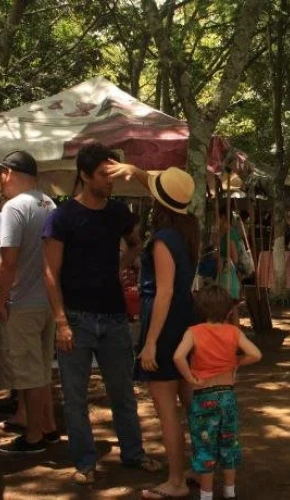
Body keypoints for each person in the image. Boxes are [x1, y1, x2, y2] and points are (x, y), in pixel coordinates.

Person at [43, 143, 160, 484]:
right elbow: (49, 272)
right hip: (75, 319)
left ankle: (133, 454)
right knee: (75, 398)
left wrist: (120, 267)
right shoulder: (62, 217)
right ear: (84, 175)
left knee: (123, 393)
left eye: (112, 174)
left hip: (114, 317)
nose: (110, 181)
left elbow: (136, 244)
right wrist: (61, 321)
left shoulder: (119, 212)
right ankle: (85, 463)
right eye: (103, 174)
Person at [108, 163, 200, 498]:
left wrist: (150, 343)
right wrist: (135, 171)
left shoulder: (162, 240)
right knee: (190, 402)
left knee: (167, 409)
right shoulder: (188, 230)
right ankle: (200, 468)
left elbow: (164, 293)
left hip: (165, 324)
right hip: (185, 321)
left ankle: (175, 481)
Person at [0, 151, 61, 455]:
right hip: (47, 301)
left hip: (21, 302)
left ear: (8, 173)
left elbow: (9, 261)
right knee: (42, 370)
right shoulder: (49, 204)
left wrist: (1, 299)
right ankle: (47, 427)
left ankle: (33, 437)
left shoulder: (14, 208)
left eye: (0, 175)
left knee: (29, 374)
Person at [173, 285, 262, 500]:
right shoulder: (233, 332)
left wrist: (190, 378)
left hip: (204, 396)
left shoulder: (193, 332)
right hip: (227, 396)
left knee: (205, 446)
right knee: (229, 443)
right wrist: (237, 361)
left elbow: (178, 357)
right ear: (228, 311)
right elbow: (256, 354)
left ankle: (206, 495)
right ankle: (230, 492)